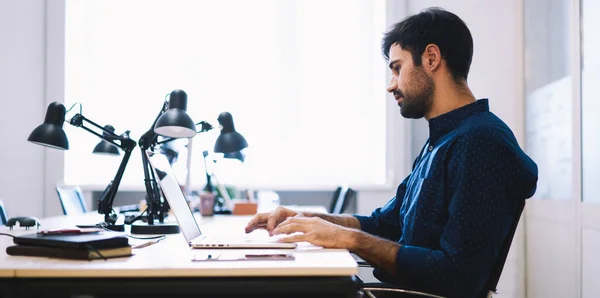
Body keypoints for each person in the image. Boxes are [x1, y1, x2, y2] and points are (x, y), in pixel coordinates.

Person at [245, 7, 538, 298]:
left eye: (397, 68)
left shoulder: (481, 142)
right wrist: (306, 218)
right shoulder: (443, 141)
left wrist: (348, 238)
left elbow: (457, 277)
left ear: (431, 58)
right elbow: (384, 223)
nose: (391, 85)